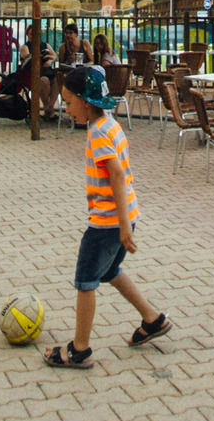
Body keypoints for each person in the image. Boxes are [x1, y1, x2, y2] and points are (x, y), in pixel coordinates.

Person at [42, 65, 169, 369]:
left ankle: (80, 349)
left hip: (107, 223)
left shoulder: (98, 133)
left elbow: (115, 174)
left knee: (86, 281)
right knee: (110, 270)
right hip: (125, 216)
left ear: (86, 103)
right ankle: (152, 320)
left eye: (69, 102)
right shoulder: (109, 124)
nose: (66, 108)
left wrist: (123, 227)